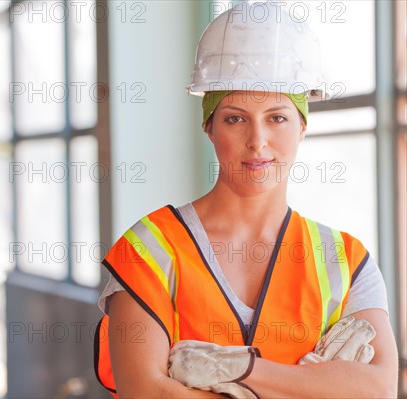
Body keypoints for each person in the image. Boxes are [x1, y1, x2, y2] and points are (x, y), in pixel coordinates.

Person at [94, 2, 398, 398]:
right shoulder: (150, 250)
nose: (258, 141)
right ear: (209, 127)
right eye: (235, 118)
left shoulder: (345, 261)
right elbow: (146, 392)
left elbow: (378, 389)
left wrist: (238, 368)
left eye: (277, 117)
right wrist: (313, 384)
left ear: (302, 127)